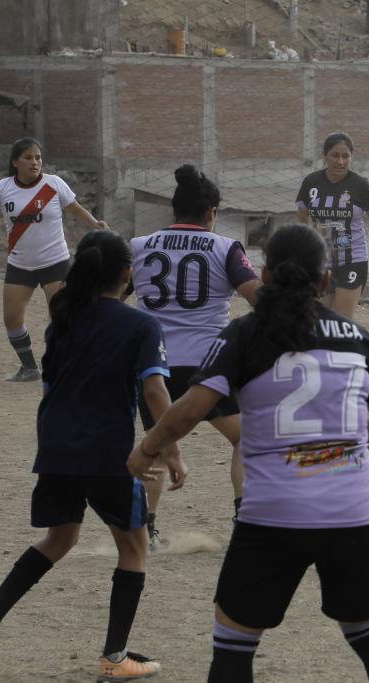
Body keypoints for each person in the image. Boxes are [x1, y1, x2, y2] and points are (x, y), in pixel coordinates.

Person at [126, 224, 369, 683]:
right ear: (325, 280)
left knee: (234, 645)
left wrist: (147, 450)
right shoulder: (359, 337)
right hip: (354, 512)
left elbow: (190, 410)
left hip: (275, 514)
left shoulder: (245, 333)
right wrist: (344, 462)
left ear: (265, 274)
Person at [0, 230, 186, 680]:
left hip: (57, 447)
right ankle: (114, 658)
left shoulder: (64, 321)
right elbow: (155, 391)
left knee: (59, 540)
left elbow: (50, 388)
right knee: (134, 546)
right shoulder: (140, 325)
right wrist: (173, 450)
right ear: (125, 273)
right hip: (107, 453)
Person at [129, 164, 260, 548]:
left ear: (174, 210)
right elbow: (256, 296)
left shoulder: (139, 246)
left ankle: (145, 530)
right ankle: (245, 523)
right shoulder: (224, 248)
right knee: (246, 439)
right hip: (209, 367)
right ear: (211, 213)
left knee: (153, 444)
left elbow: (111, 301)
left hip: (153, 366)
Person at [0, 138, 109, 382]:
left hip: (56, 263)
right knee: (11, 318)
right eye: (28, 157)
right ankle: (29, 368)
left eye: (38, 157)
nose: (35, 162)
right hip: (20, 264)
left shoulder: (54, 184)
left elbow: (74, 208)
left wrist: (95, 224)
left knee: (63, 317)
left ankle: (71, 365)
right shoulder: (1, 188)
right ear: (15, 162)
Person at [296, 132, 369, 319]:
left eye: (346, 156)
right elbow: (302, 220)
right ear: (324, 155)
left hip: (353, 259)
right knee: (322, 318)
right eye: (335, 155)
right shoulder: (311, 183)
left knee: (342, 318)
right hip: (321, 261)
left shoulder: (360, 185)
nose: (341, 162)